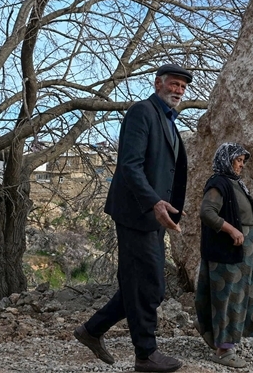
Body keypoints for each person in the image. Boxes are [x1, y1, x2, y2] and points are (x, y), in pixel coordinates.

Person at [74, 64, 191, 373]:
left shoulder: (168, 121)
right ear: (158, 84)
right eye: (174, 84)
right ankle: (146, 354)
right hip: (136, 213)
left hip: (155, 216)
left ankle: (92, 330)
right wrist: (153, 202)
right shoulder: (142, 112)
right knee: (149, 284)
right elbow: (130, 165)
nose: (178, 90)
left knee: (139, 285)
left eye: (182, 87)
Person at [194, 142, 253, 369]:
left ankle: (228, 343)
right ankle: (223, 351)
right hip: (227, 256)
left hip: (241, 256)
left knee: (242, 297)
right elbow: (207, 212)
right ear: (226, 159)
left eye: (243, 161)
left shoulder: (234, 183)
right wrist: (232, 229)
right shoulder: (218, 183)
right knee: (227, 299)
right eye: (238, 160)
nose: (241, 165)